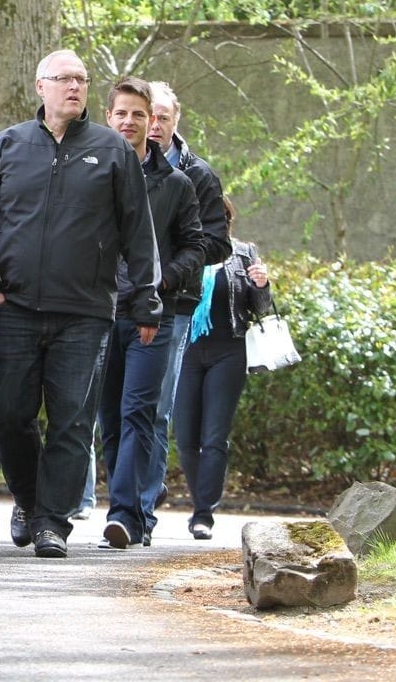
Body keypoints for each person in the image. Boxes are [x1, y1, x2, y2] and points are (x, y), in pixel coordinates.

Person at [0, 49, 160, 559]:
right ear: (40, 86)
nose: (74, 87)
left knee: (73, 419)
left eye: (81, 79)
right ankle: (31, 500)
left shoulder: (112, 150)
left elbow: (139, 234)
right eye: (63, 79)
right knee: (6, 415)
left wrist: (145, 301)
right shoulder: (6, 146)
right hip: (13, 308)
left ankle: (53, 522)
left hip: (85, 311)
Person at [94, 77, 204, 550]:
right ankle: (134, 509)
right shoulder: (90, 174)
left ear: (153, 122)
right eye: (121, 113)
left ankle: (123, 515)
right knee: (109, 419)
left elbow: (198, 244)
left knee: (139, 411)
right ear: (108, 117)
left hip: (150, 316)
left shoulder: (177, 184)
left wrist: (161, 279)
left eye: (140, 114)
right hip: (97, 313)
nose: (131, 122)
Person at [138, 81, 232, 542]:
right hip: (113, 300)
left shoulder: (198, 174)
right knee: (114, 408)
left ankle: (140, 509)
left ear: (176, 122)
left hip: (172, 302)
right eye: (146, 115)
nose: (153, 125)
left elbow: (217, 242)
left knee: (155, 406)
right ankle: (123, 502)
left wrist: (170, 267)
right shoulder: (113, 162)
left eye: (162, 118)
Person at [175, 197, 271, 539]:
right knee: (185, 437)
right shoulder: (184, 251)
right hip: (186, 351)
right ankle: (202, 501)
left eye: (219, 217)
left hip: (228, 351)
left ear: (227, 220)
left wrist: (261, 285)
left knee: (214, 437)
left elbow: (262, 307)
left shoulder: (244, 252)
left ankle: (203, 513)